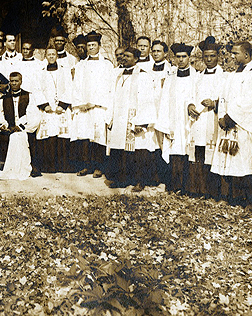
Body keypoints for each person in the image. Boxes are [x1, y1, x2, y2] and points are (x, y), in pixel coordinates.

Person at [212, 42, 252, 209]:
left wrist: (230, 118)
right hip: (227, 124)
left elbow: (249, 101)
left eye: (235, 53)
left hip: (242, 125)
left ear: (246, 55)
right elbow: (223, 97)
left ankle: (249, 200)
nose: (232, 56)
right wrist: (221, 116)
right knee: (226, 158)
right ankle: (226, 196)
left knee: (244, 161)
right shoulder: (231, 75)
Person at [110, 46, 159, 191]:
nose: (124, 58)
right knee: (121, 151)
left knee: (138, 152)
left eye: (128, 56)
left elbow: (147, 100)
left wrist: (141, 123)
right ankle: (122, 179)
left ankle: (140, 181)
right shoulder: (119, 75)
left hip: (135, 119)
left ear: (136, 59)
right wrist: (111, 118)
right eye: (123, 56)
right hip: (120, 119)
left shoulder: (143, 76)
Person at [156, 43, 196, 194]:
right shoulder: (170, 77)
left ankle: (186, 187)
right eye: (178, 57)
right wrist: (165, 124)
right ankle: (173, 185)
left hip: (188, 121)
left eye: (183, 57)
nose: (180, 60)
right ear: (173, 58)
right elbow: (164, 101)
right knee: (173, 151)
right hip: (173, 120)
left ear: (189, 58)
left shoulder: (195, 76)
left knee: (187, 150)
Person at [71, 31, 112, 178]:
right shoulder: (81, 65)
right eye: (89, 45)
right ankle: (85, 166)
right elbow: (76, 85)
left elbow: (108, 87)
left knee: (98, 137)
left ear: (99, 46)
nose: (91, 48)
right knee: (84, 137)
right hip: (83, 107)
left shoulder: (106, 64)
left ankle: (98, 167)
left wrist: (93, 102)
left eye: (94, 45)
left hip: (98, 107)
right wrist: (80, 103)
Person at [187, 39, 222, 198]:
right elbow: (191, 94)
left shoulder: (224, 76)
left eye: (212, 56)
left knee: (211, 152)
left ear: (218, 57)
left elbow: (228, 98)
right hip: (198, 120)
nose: (209, 60)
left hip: (212, 120)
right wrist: (190, 106)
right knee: (198, 152)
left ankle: (211, 190)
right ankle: (196, 189)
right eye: (206, 56)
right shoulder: (198, 75)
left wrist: (215, 103)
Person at [0, 72, 37, 180]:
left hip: (24, 129)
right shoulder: (3, 98)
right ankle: (1, 167)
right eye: (12, 81)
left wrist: (20, 127)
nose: (14, 83)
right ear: (9, 82)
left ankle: (23, 168)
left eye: (16, 81)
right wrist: (3, 125)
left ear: (21, 81)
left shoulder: (29, 96)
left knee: (18, 137)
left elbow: (33, 115)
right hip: (9, 128)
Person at [35, 43, 73, 173]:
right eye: (49, 54)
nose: (51, 57)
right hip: (48, 109)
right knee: (49, 137)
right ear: (45, 56)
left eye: (53, 54)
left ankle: (63, 165)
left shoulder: (64, 70)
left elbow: (69, 87)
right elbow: (37, 89)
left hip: (61, 109)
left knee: (62, 137)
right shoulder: (40, 72)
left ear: (57, 56)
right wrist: (45, 105)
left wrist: (62, 105)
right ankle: (49, 166)